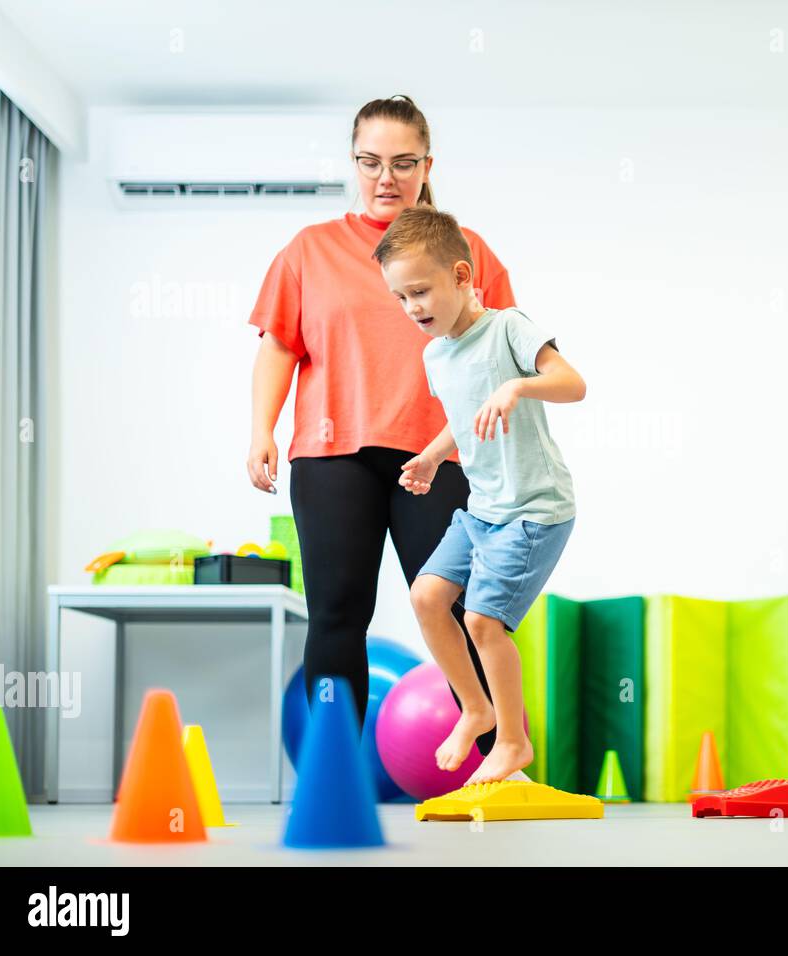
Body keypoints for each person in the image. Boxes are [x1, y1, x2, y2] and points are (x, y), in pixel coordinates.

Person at [246, 96, 514, 748]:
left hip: (439, 456)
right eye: (369, 162)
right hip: (333, 455)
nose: (384, 177)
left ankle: (497, 765)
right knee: (336, 615)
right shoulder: (310, 251)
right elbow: (279, 345)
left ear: (427, 164)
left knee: (462, 611)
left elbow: (504, 352)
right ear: (354, 162)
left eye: (401, 163)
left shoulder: (467, 250)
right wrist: (261, 431)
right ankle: (331, 773)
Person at [374, 205, 584, 785]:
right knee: (426, 598)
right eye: (401, 297)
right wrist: (435, 453)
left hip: (534, 512)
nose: (413, 307)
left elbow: (574, 384)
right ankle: (476, 708)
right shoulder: (435, 353)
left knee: (484, 622)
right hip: (482, 512)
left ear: (462, 277)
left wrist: (518, 384)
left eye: (420, 291)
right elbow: (466, 417)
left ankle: (513, 743)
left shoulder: (508, 327)